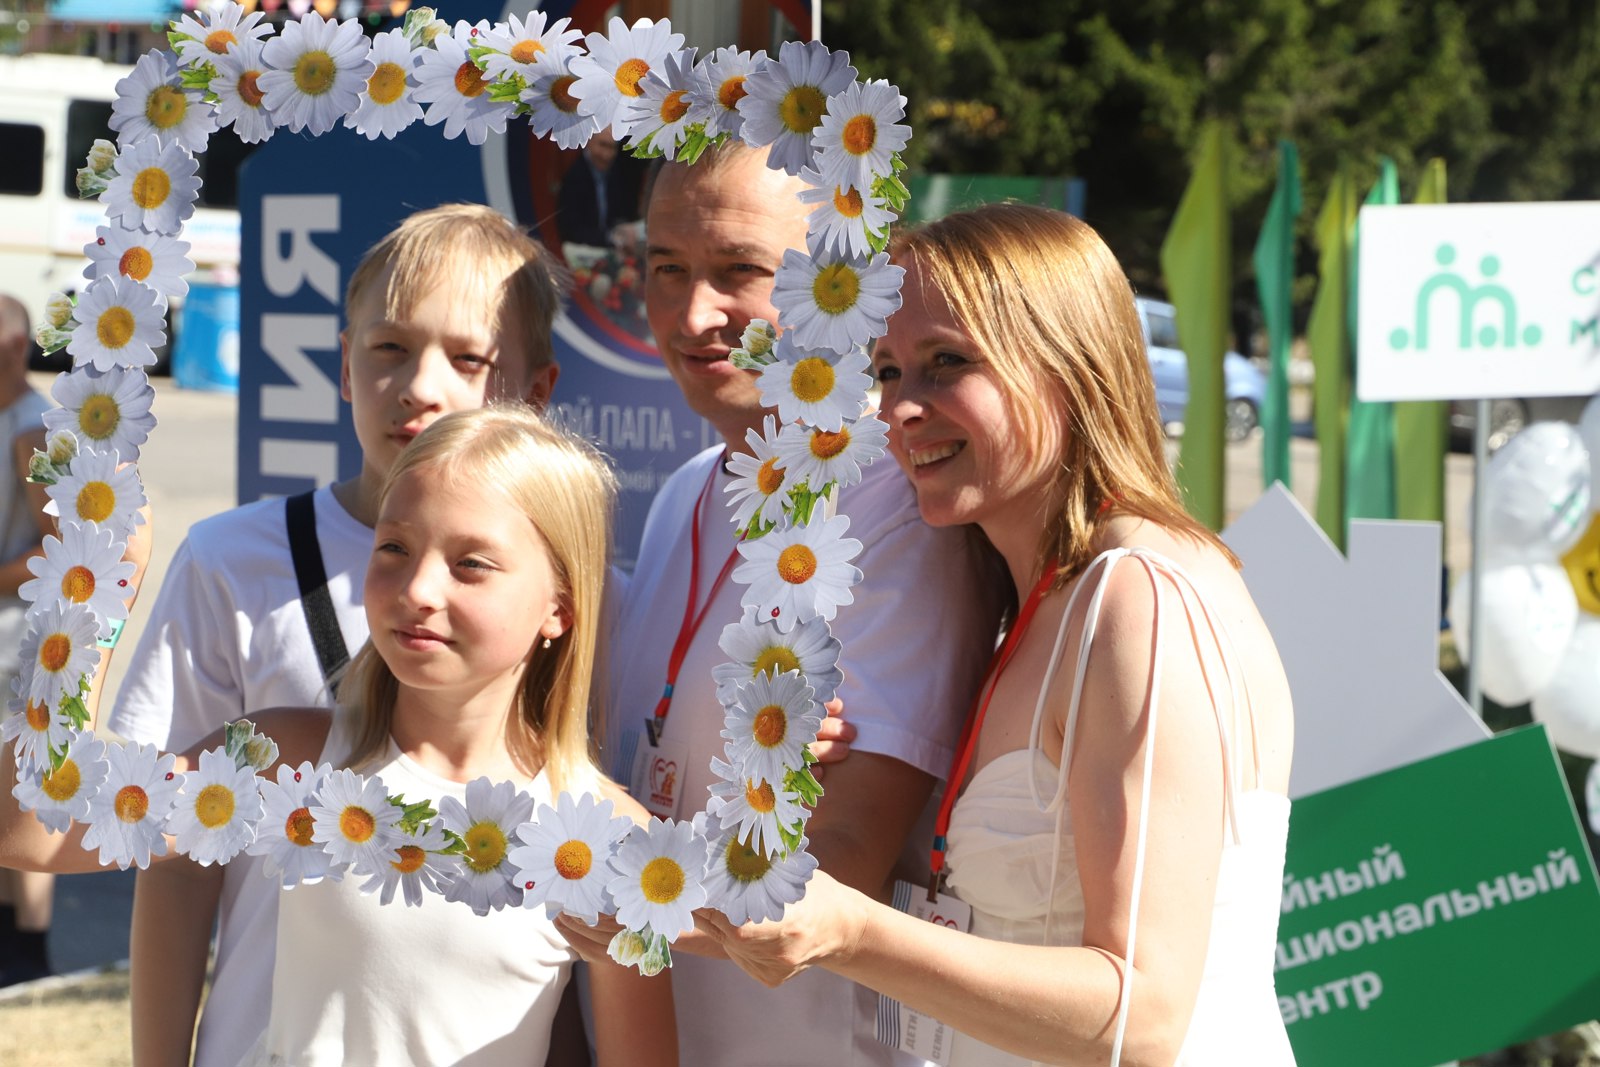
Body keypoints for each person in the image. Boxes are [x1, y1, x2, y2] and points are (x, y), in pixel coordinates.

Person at [698, 204, 1298, 1066]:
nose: (901, 408)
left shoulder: (1140, 600)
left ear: (1069, 365)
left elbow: (1144, 1016)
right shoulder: (1039, 597)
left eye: (947, 364)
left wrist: (851, 929)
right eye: (889, 369)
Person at [1, 405, 677, 1065]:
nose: (418, 587)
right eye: (394, 547)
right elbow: (31, 828)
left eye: (470, 563)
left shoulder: (608, 840)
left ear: (559, 604)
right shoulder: (282, 758)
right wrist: (95, 591)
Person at [563, 142, 1008, 1066]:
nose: (693, 313)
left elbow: (838, 861)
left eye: (741, 272)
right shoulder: (692, 485)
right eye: (666, 268)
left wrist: (578, 839)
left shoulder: (893, 501)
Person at [104, 204, 564, 1067]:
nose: (421, 385)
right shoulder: (232, 562)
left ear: (536, 390)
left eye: (469, 358)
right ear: (345, 365)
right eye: (389, 347)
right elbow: (172, 863)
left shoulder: (564, 597)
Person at [0, 294, 55, 987]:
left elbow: (53, 545)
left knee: (21, 788)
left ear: (15, 347)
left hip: (16, 635)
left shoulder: (32, 431)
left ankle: (30, 953)